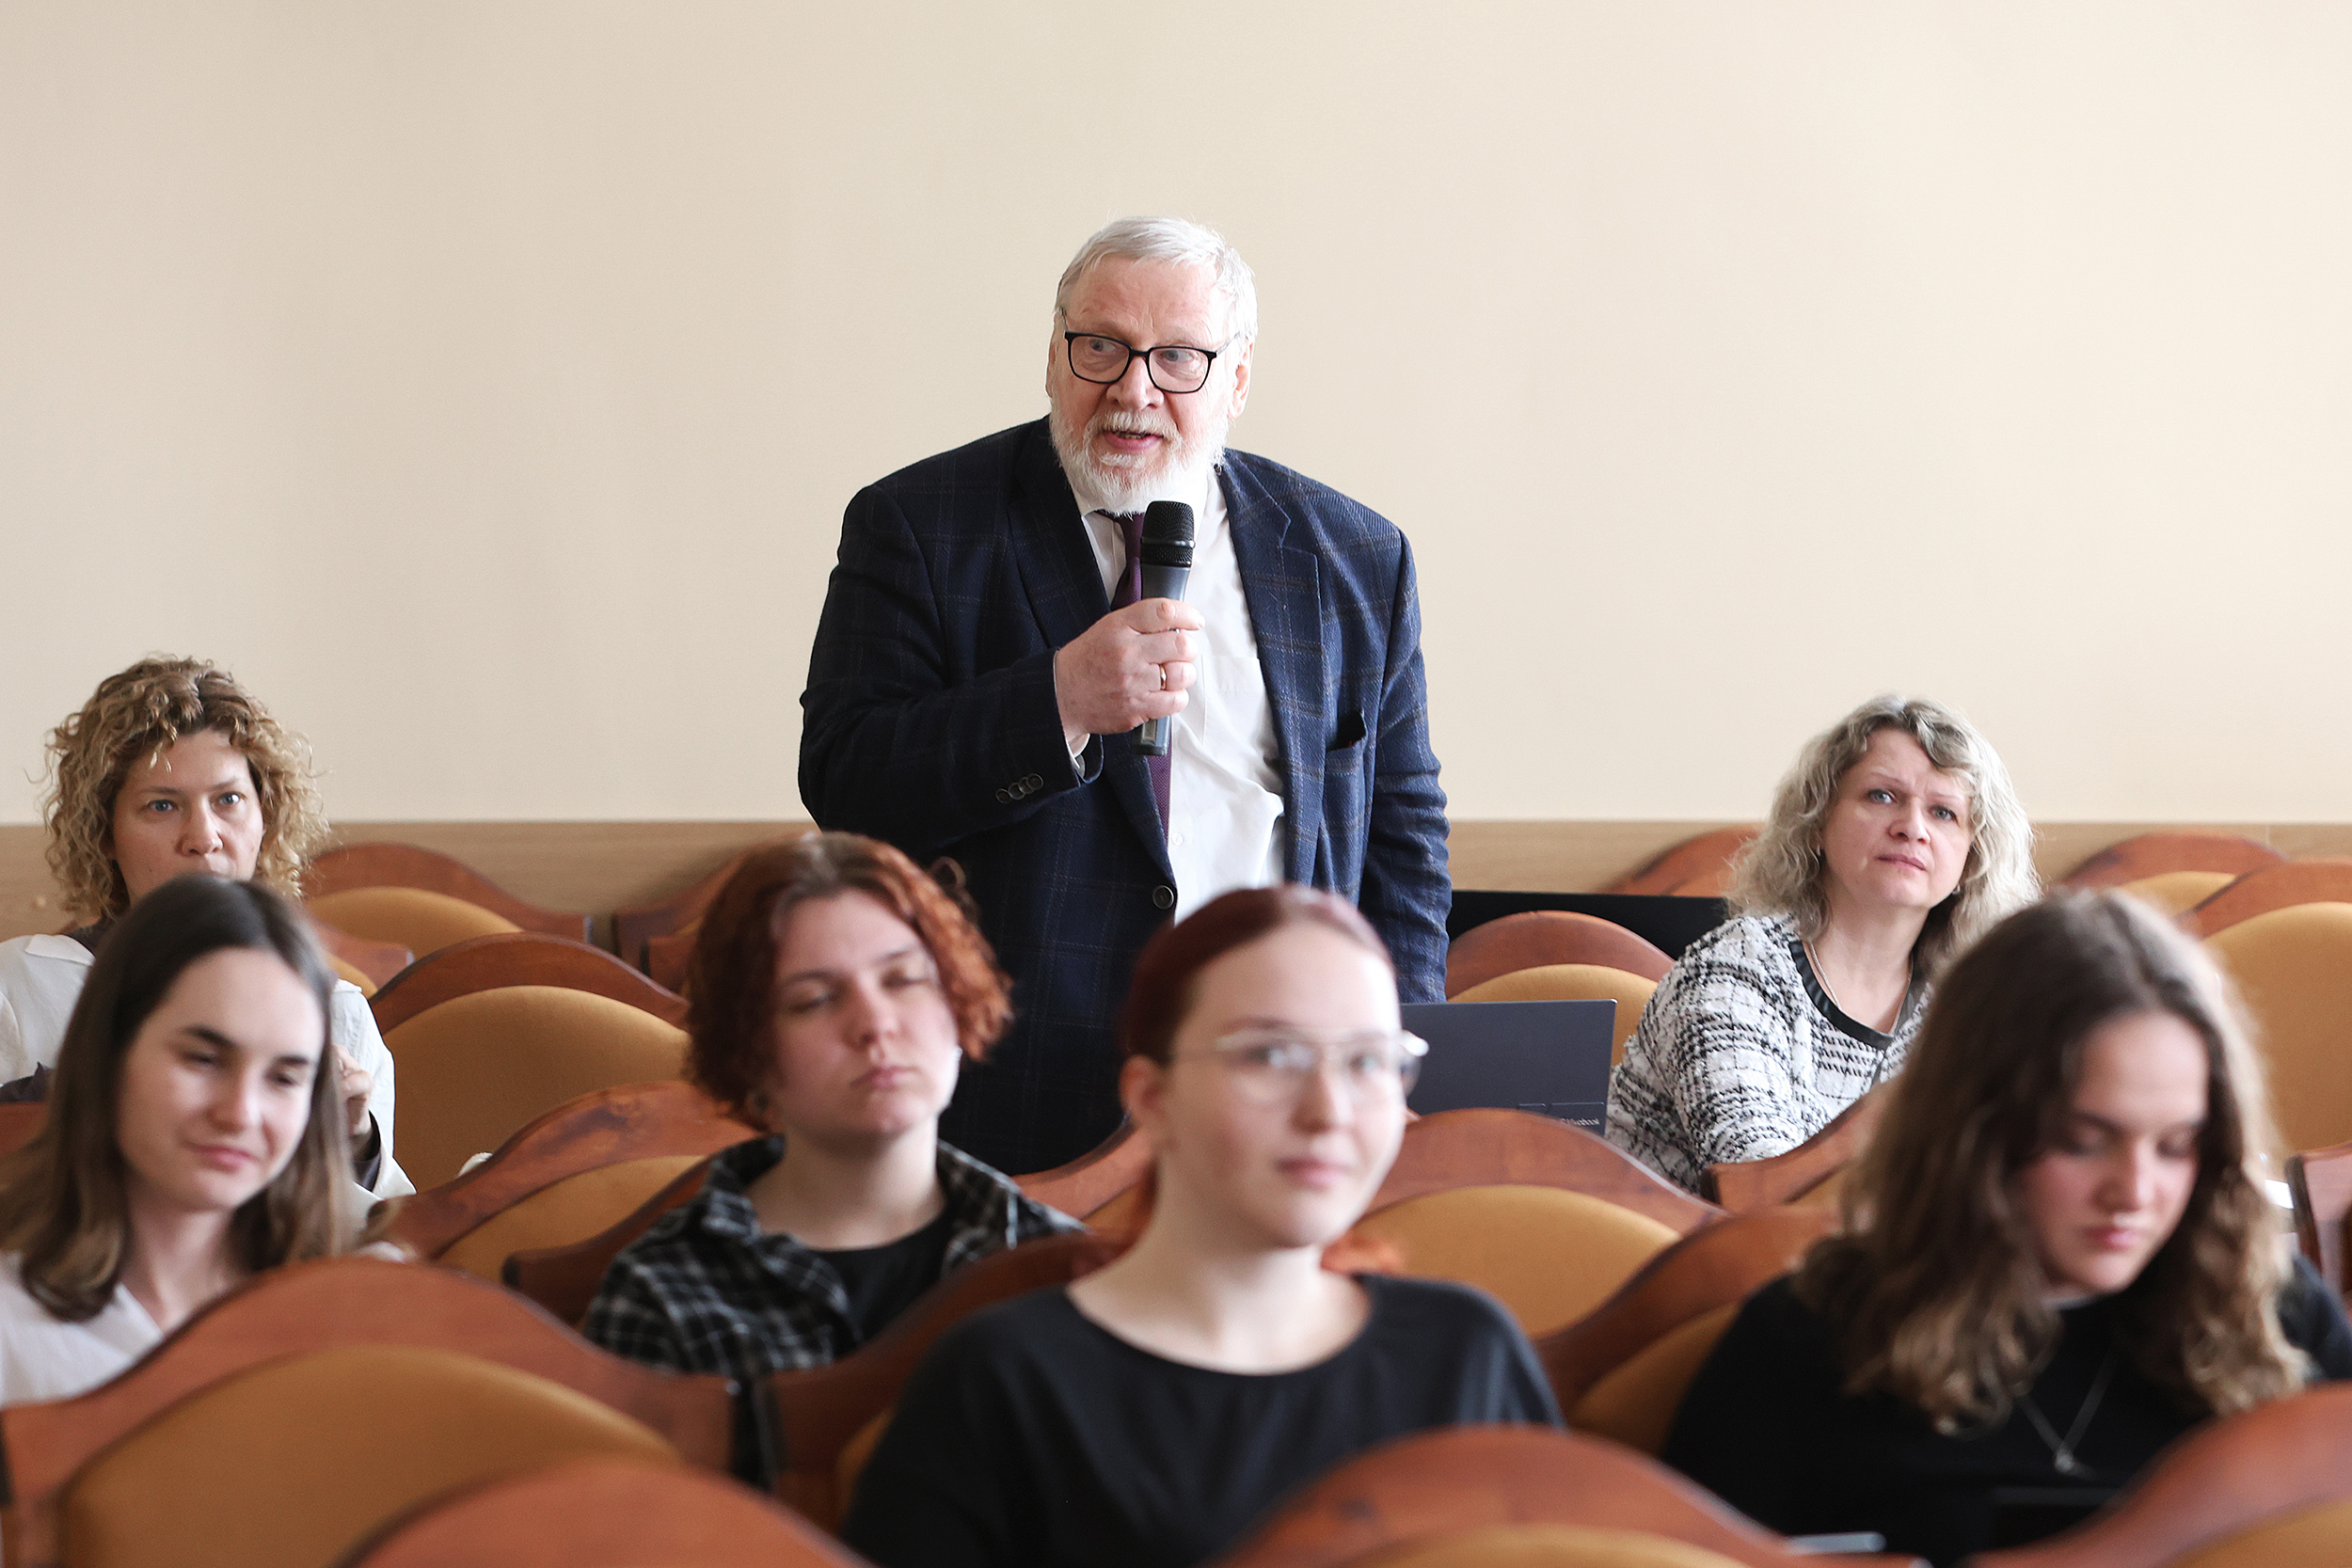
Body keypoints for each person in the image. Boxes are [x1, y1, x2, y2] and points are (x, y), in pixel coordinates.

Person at [800, 216, 1449, 1175]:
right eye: (1100, 346)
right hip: (1020, 1088)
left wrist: (1398, 1058)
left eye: (1179, 357)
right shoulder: (919, 524)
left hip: (1287, 1081)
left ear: (1236, 379)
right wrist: (1057, 700)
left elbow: (1402, 834)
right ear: (1053, 356)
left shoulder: (1352, 555)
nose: (1134, 390)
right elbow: (846, 778)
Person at [840, 886, 1560, 1568]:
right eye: (1270, 1055)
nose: (1329, 1111)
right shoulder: (1003, 1378)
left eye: (1367, 1060)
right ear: (1152, 1098)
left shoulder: (1469, 1352)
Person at [1662, 892, 2352, 1566]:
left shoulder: (2275, 1317)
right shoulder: (1810, 1341)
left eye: (2176, 1146)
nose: (2136, 1192)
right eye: (2083, 1141)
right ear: (1976, 1132)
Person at [582, 833, 1079, 1379]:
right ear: (749, 1051)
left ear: (957, 1000)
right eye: (814, 999)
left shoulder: (1062, 1267)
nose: (875, 1024)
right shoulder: (662, 1292)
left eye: (902, 979)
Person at [0, 657, 406, 1198]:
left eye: (228, 800)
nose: (204, 837)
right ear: (105, 833)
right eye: (162, 805)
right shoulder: (21, 986)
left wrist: (354, 1142)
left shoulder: (336, 1011)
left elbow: (385, 1228)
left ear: (265, 817)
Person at [1608, 694, 2035, 1191]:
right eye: (1882, 796)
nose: (1912, 828)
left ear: (1971, 860)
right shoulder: (1735, 970)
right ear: (1816, 825)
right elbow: (1766, 1192)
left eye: (1944, 813)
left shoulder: (1966, 1005)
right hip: (1668, 1237)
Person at [0, 875, 356, 1404]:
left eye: (284, 1078)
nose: (240, 1113)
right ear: (110, 1054)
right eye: (203, 1059)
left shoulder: (357, 1310)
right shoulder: (12, 1319)